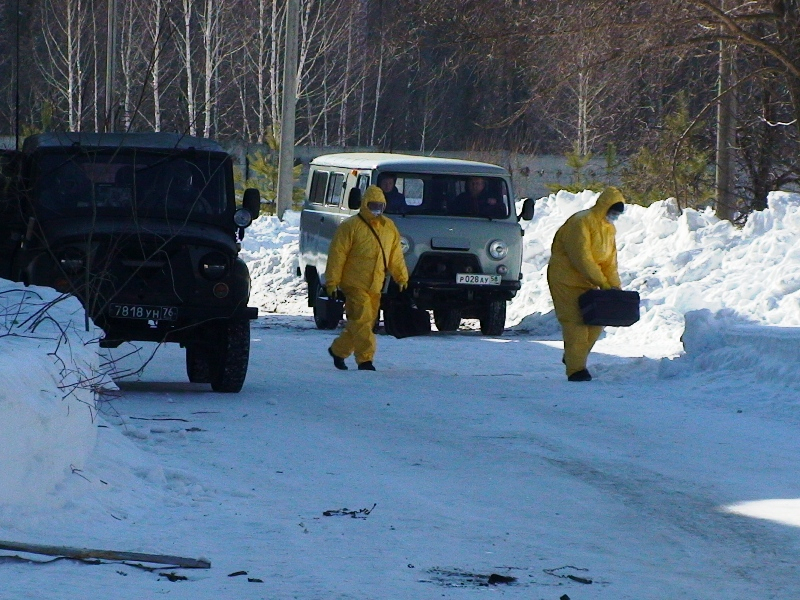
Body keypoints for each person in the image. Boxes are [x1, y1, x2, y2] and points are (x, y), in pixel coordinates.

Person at [325, 185, 409, 371]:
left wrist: (401, 276)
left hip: (376, 285)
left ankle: (338, 350)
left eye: (380, 205)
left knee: (363, 323)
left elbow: (395, 255)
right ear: (364, 204)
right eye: (373, 205)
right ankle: (365, 360)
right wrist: (332, 281)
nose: (376, 209)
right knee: (363, 321)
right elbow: (337, 255)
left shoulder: (389, 228)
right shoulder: (350, 227)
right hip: (354, 284)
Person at [547, 187, 625, 382]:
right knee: (576, 324)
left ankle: (574, 356)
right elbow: (582, 257)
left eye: (617, 214)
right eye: (612, 212)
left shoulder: (608, 229)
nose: (613, 217)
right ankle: (576, 370)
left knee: (596, 322)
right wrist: (602, 284)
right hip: (565, 280)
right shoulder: (581, 222)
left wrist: (615, 287)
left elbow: (609, 262)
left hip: (588, 281)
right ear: (604, 207)